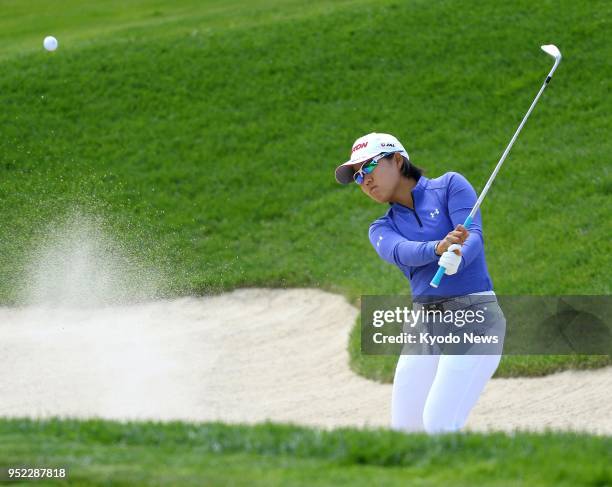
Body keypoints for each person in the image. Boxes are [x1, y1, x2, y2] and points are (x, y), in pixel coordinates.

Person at [334, 132, 506, 434]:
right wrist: (437, 248)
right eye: (358, 177)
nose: (365, 181)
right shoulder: (381, 227)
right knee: (406, 430)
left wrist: (459, 256)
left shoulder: (450, 185)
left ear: (397, 160)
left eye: (369, 168)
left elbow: (473, 234)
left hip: (475, 315)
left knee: (439, 423)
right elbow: (401, 251)